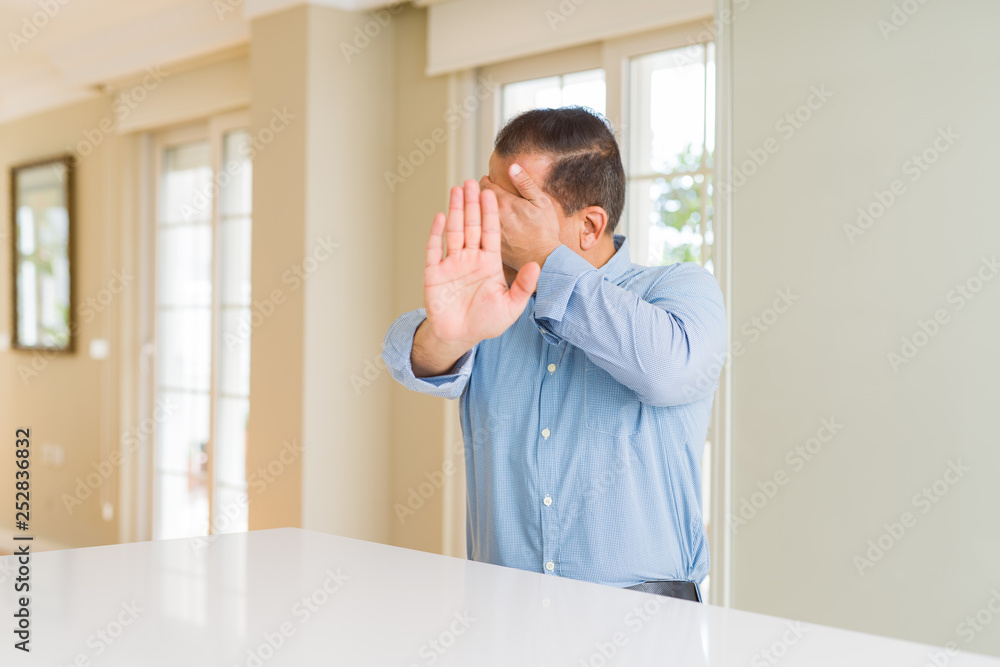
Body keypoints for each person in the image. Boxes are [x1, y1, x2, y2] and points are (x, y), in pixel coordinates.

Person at [382, 106, 727, 602]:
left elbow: (666, 372)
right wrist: (449, 332)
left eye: (515, 206)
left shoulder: (677, 290)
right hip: (502, 614)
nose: (492, 218)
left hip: (645, 624)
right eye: (489, 198)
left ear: (589, 226)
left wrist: (547, 259)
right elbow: (404, 358)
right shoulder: (496, 304)